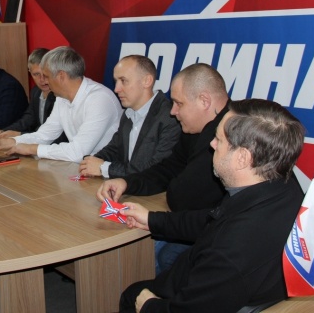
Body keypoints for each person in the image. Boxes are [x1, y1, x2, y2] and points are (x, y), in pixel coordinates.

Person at [117, 99, 305, 313]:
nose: (212, 144)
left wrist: (149, 306)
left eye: (219, 140)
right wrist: (153, 220)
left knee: (132, 295)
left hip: (185, 295)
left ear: (242, 158)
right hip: (212, 282)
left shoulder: (231, 251)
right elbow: (213, 220)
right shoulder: (283, 186)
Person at [97, 63, 229, 273]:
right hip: (200, 222)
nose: (173, 111)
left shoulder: (228, 140)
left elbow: (182, 199)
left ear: (204, 101)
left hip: (219, 234)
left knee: (151, 256)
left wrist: (155, 215)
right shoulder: (195, 129)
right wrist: (127, 182)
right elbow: (169, 168)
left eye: (178, 103)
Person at [0, 46, 122, 163]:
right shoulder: (62, 98)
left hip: (108, 174)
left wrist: (32, 149)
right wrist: (3, 143)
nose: (45, 81)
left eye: (47, 76)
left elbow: (77, 152)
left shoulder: (99, 99)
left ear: (61, 76)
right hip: (83, 169)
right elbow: (44, 135)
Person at [78, 55, 180, 178]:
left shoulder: (170, 117)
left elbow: (155, 170)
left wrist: (103, 167)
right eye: (116, 81)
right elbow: (114, 148)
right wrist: (91, 162)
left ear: (147, 81)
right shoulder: (128, 113)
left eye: (123, 81)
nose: (116, 89)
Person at [0, 48, 67, 143]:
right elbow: (27, 120)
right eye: (36, 74)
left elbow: (53, 135)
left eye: (45, 74)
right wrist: (4, 131)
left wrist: (20, 135)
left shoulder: (61, 96)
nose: (42, 79)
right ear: (30, 72)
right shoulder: (35, 92)